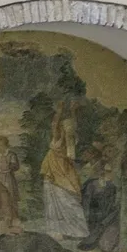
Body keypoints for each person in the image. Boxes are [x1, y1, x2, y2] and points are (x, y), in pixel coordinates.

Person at [40, 102, 88, 238]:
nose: (64, 128)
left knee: (69, 199)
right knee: (53, 200)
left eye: (67, 127)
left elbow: (72, 128)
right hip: (52, 171)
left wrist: (71, 113)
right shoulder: (57, 136)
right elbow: (54, 124)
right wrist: (60, 111)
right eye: (63, 126)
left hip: (64, 170)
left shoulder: (70, 141)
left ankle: (75, 231)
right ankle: (59, 231)